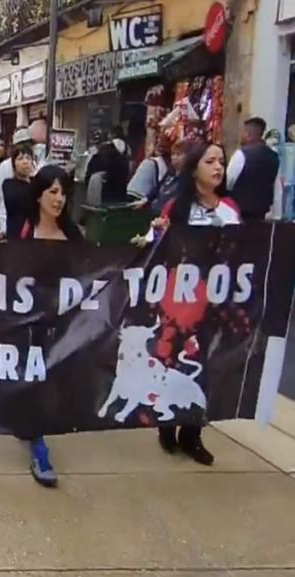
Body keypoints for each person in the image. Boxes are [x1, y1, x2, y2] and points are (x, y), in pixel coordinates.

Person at [133, 141, 237, 467]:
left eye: (222, 161)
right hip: (177, 304)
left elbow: (243, 254)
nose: (218, 167)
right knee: (171, 362)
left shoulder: (230, 209)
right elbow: (155, 246)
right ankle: (167, 427)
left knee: (203, 368)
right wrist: (151, 236)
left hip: (213, 304)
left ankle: (192, 435)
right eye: (210, 161)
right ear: (195, 170)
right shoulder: (176, 208)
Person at [17, 165, 84, 488]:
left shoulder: (74, 236)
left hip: (62, 323)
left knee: (49, 382)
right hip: (29, 325)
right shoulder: (24, 233)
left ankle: (33, 428)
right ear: (39, 195)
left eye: (64, 192)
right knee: (33, 380)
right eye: (53, 192)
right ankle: (38, 446)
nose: (59, 199)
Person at [227, 117, 283, 221]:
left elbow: (228, 182)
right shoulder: (274, 157)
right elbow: (277, 189)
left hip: (238, 213)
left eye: (243, 133)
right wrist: (277, 216)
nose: (241, 136)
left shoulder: (241, 154)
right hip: (261, 215)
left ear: (248, 134)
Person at [127, 136, 185, 215]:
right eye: (173, 154)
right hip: (157, 211)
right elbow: (158, 187)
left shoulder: (186, 178)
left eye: (178, 155)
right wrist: (146, 199)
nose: (175, 158)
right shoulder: (170, 171)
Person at [0, 143, 35, 240]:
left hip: (32, 235)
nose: (25, 162)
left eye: (28, 158)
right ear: (13, 163)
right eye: (20, 159)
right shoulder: (8, 184)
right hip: (13, 232)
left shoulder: (36, 184)